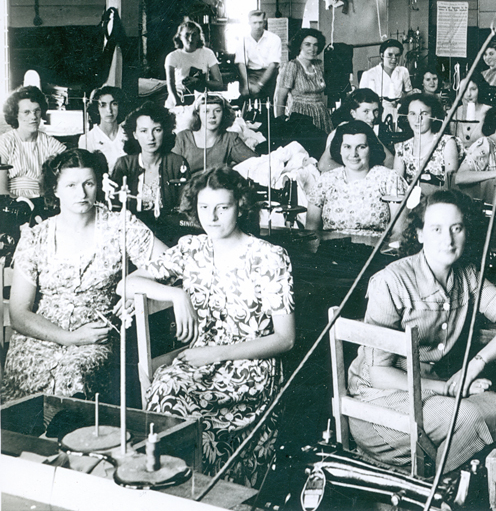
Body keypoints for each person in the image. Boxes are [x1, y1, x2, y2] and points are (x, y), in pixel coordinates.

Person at [125, 168, 294, 486]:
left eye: (223, 207)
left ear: (240, 207)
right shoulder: (192, 249)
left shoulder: (269, 257)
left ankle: (213, 496)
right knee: (165, 394)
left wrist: (217, 353)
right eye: (204, 208)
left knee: (196, 418)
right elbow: (128, 282)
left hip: (250, 368)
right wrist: (176, 294)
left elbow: (285, 339)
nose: (212, 217)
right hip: (199, 362)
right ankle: (172, 493)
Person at [347, 190, 496, 472]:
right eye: (436, 229)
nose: (448, 240)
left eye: (456, 228)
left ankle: (446, 489)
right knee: (467, 416)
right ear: (420, 234)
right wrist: (449, 388)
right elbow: (379, 374)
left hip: (425, 394)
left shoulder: (468, 275)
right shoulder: (392, 281)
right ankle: (433, 493)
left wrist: (473, 368)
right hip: (377, 403)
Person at [2, 149, 163, 400]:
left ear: (98, 184)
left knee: (74, 376)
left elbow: (171, 261)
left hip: (94, 338)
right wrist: (69, 338)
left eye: (89, 183)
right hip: (39, 339)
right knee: (22, 391)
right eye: (71, 185)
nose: (81, 193)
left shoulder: (119, 225)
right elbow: (19, 314)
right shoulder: (36, 237)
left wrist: (135, 287)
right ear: (54, 190)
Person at [306, 120, 406, 236]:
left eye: (361, 147)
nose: (354, 154)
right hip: (331, 251)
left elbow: (399, 232)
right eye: (347, 147)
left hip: (373, 251)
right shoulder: (326, 180)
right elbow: (311, 230)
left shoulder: (389, 179)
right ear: (340, 150)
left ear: (371, 148)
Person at [110, 101, 189, 225]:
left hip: (170, 230)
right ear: (135, 134)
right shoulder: (124, 164)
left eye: (157, 130)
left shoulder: (178, 163)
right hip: (132, 231)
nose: (150, 137)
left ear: (165, 131)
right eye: (143, 131)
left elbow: (185, 208)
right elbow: (114, 208)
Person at [0, 85, 67, 199]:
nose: (33, 117)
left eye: (37, 111)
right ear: (15, 114)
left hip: (43, 201)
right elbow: (1, 190)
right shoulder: (5, 142)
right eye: (26, 112)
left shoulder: (49, 142)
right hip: (11, 202)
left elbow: (70, 165)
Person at [173, 94, 256, 175]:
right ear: (197, 113)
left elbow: (256, 163)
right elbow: (171, 170)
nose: (212, 116)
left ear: (224, 113)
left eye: (217, 111)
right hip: (189, 188)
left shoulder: (230, 139)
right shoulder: (183, 138)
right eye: (206, 111)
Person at [394, 93, 462, 190]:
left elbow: (450, 184)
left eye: (424, 114)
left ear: (434, 117)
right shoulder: (402, 148)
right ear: (407, 116)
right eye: (413, 114)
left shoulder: (446, 143)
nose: (418, 119)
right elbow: (397, 186)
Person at [274, 28, 333, 134]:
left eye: (315, 45)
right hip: (301, 116)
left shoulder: (319, 65)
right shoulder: (292, 66)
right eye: (307, 44)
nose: (312, 48)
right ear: (299, 45)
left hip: (321, 115)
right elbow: (280, 99)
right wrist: (280, 124)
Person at [321, 88, 395, 171]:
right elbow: (323, 164)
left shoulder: (365, 130)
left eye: (375, 111)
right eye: (366, 111)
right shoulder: (343, 130)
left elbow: (390, 160)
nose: (372, 117)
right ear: (353, 113)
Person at [164, 20, 224, 107]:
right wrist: (178, 102)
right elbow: (170, 84)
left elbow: (219, 84)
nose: (190, 39)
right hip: (179, 96)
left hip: (201, 97)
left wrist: (201, 82)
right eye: (187, 35)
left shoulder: (208, 53)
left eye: (194, 35)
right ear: (180, 36)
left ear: (199, 36)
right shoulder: (172, 56)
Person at [232, 9, 281, 101]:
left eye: (260, 22)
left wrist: (259, 85)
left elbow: (273, 65)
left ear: (264, 23)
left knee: (270, 102)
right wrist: (246, 85)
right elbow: (241, 64)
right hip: (251, 74)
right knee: (247, 98)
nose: (258, 26)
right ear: (249, 23)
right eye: (254, 23)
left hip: (270, 74)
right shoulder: (242, 40)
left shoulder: (274, 39)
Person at [360, 39, 412, 120]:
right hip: (376, 114)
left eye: (397, 55)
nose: (394, 58)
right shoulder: (369, 74)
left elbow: (408, 94)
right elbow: (361, 100)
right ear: (382, 55)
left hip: (398, 113)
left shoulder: (403, 71)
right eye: (390, 55)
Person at [78, 85, 127, 171]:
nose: (109, 110)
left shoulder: (128, 134)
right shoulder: (87, 139)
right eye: (103, 105)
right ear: (96, 108)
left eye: (114, 104)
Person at [451, 74, 490, 147]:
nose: (468, 94)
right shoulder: (455, 112)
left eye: (473, 89)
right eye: (464, 89)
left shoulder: (488, 111)